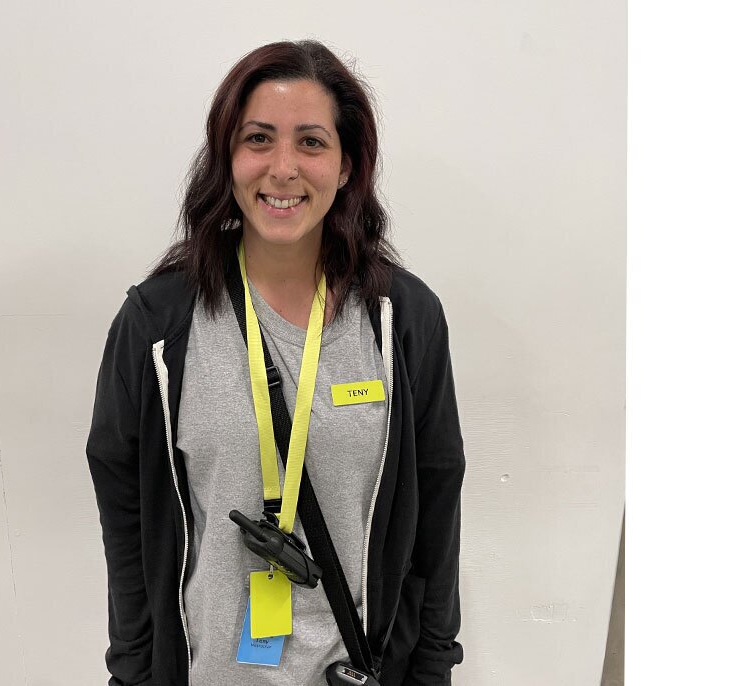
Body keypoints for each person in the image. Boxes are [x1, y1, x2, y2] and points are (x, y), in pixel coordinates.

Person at [87, 40, 465, 685]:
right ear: (226, 158)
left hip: (357, 670)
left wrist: (433, 665)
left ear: (347, 165)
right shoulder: (158, 324)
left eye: (312, 142)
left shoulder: (403, 319)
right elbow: (126, 517)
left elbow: (436, 505)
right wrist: (134, 668)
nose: (283, 168)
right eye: (258, 138)